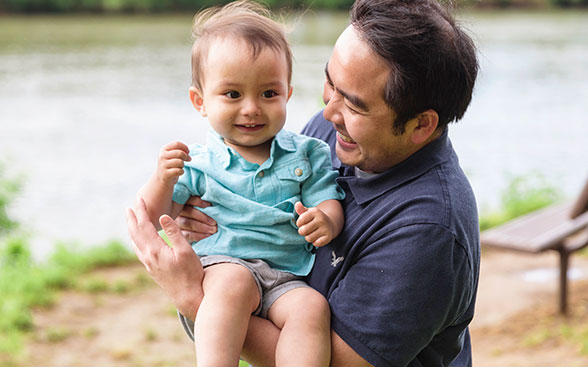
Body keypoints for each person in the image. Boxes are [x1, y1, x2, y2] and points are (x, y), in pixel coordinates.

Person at [127, 0, 480, 366]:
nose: (328, 112)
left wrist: (192, 298)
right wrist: (190, 207)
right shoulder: (338, 130)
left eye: (355, 105)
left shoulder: (428, 230)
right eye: (331, 84)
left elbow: (341, 363)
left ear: (420, 125)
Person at [134, 2, 345, 366]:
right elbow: (152, 217)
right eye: (233, 95)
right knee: (234, 285)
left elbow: (327, 200)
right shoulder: (197, 164)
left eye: (268, 94)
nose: (251, 108)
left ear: (287, 94)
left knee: (312, 307)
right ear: (200, 101)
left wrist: (326, 220)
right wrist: (161, 180)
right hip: (223, 265)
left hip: (287, 274)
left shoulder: (307, 152)